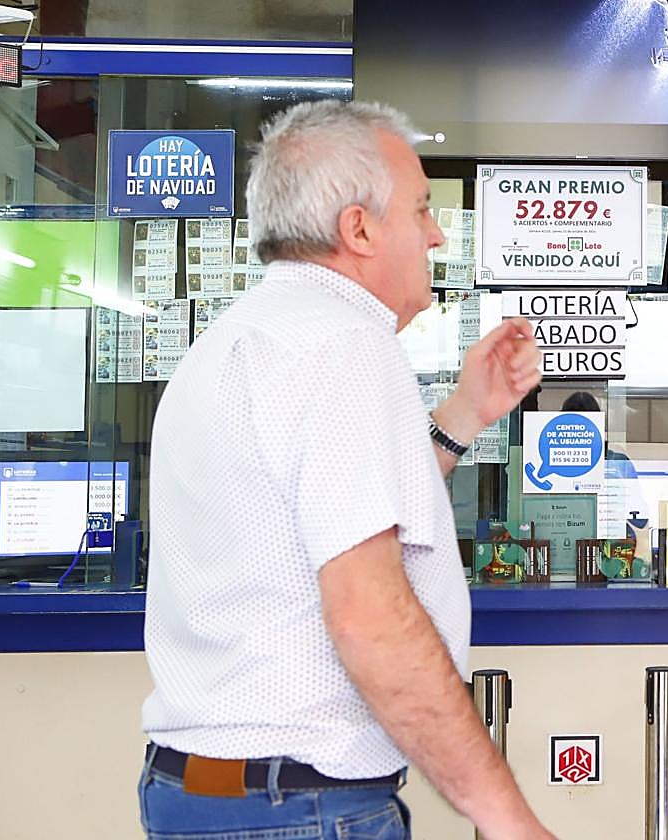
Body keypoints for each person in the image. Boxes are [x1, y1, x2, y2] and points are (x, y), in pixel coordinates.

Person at [138, 101, 554, 840]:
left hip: (208, 792)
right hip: (299, 808)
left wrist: (464, 413)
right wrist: (507, 818)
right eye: (422, 208)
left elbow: (324, 512)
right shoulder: (343, 348)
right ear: (359, 229)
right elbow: (371, 617)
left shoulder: (238, 340)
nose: (435, 233)